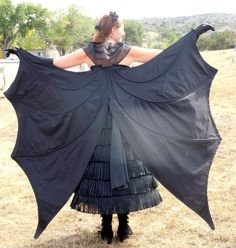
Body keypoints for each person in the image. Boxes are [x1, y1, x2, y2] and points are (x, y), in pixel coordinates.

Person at [53, 11, 163, 244]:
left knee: (101, 171)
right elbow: (165, 56)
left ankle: (106, 227)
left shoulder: (88, 53)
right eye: (121, 27)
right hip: (124, 122)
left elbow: (55, 64)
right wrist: (191, 39)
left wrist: (24, 56)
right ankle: (122, 226)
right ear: (113, 30)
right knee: (126, 169)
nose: (123, 31)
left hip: (98, 122)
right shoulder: (128, 51)